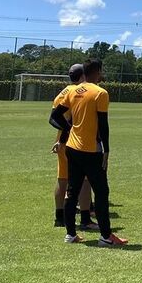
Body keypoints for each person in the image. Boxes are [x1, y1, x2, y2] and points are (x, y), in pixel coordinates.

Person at [48, 58, 127, 246]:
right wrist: (106, 150)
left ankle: (70, 234)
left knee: (72, 190)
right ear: (97, 71)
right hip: (91, 150)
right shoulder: (100, 93)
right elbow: (103, 124)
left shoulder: (71, 91)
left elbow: (55, 116)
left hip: (72, 148)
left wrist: (69, 129)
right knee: (101, 191)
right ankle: (106, 237)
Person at [52, 63, 94, 230]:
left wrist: (62, 135)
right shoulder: (77, 92)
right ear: (83, 76)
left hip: (61, 142)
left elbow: (53, 118)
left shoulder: (62, 93)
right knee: (85, 181)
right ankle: (85, 219)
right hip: (75, 142)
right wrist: (70, 130)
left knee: (62, 179)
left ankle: (59, 217)